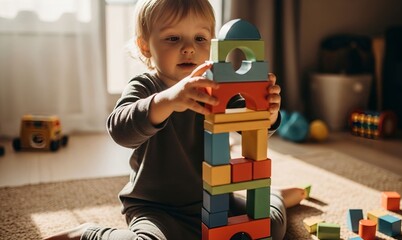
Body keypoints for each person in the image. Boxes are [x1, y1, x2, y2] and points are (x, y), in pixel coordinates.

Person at [45, 0, 305, 239]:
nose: (189, 48)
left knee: (269, 230)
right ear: (145, 45)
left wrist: (268, 114)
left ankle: (274, 197)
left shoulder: (218, 87)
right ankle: (89, 233)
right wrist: (169, 100)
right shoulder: (145, 86)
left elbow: (248, 126)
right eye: (173, 38)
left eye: (200, 38)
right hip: (157, 207)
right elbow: (120, 130)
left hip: (216, 199)